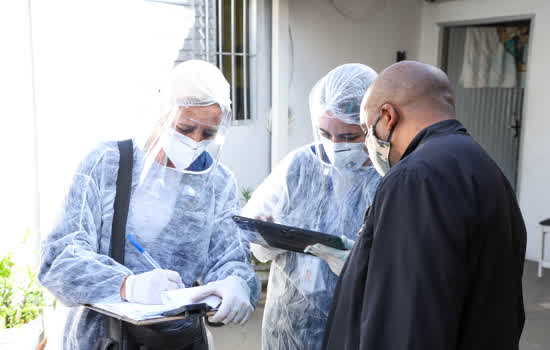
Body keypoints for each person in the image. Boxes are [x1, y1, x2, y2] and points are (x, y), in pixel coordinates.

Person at [39, 60, 261, 349]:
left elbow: (229, 257)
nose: (195, 142)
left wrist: (237, 283)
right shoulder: (107, 164)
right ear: (160, 115)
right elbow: (58, 259)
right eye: (184, 128)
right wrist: (127, 286)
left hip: (177, 339)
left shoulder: (217, 182)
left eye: (207, 134)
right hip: (102, 339)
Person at [322, 61, 526, 350]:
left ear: (388, 116)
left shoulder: (415, 177)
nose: (368, 146)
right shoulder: (487, 170)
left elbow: (405, 319)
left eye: (367, 130)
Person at [243, 64, 382, 350]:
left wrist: (361, 265)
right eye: (325, 133)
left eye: (348, 136)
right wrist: (265, 236)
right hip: (288, 326)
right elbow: (254, 237)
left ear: (372, 125)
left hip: (355, 331)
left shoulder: (387, 178)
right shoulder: (299, 166)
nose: (334, 145)